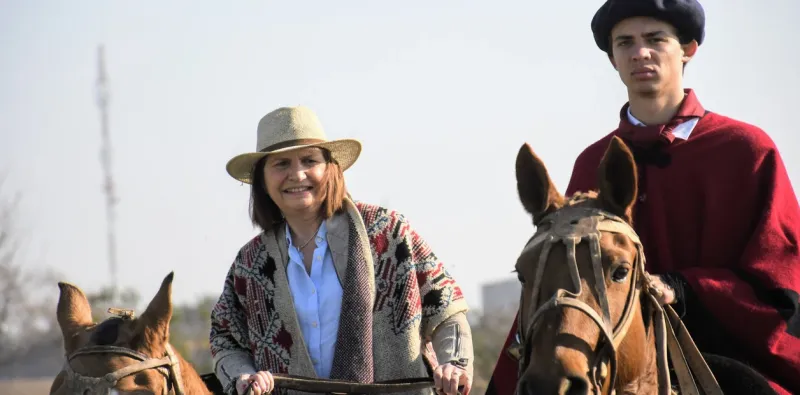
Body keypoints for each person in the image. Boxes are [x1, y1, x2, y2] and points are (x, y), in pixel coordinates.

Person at [487, 0, 800, 394]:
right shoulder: (592, 162)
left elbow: (781, 284)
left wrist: (683, 289)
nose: (640, 53)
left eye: (655, 39)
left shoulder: (746, 151)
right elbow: (561, 275)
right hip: (610, 361)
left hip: (726, 351)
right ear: (613, 59)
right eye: (625, 43)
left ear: (688, 49)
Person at [209, 106, 474, 395]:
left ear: (330, 169)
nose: (297, 174)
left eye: (309, 160)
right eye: (281, 164)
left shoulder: (388, 232)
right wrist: (243, 375)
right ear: (263, 180)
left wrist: (454, 363)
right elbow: (226, 340)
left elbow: (447, 309)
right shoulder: (249, 264)